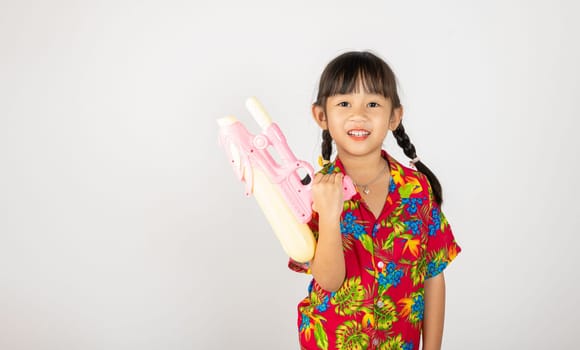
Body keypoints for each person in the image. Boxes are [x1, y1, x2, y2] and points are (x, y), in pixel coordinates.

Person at [288, 51, 461, 350]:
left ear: (394, 116)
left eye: (373, 104)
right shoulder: (313, 194)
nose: (359, 115)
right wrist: (329, 216)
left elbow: (433, 275)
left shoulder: (416, 189)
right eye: (344, 103)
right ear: (321, 116)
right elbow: (329, 281)